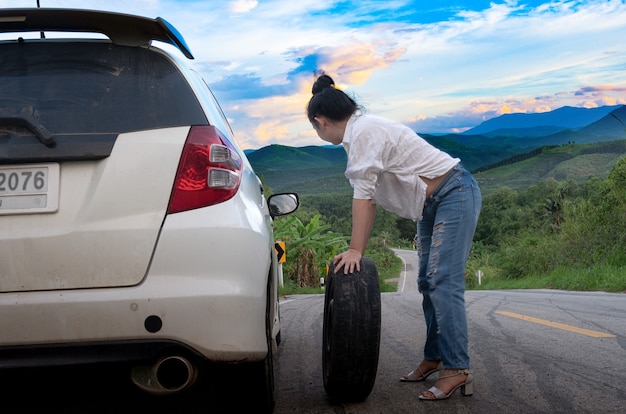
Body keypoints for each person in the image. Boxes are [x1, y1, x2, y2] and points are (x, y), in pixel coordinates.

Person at [306, 74, 481, 401]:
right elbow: (368, 193)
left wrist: (356, 250)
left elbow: (364, 196)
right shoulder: (357, 135)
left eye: (315, 129)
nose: (318, 134)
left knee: (442, 281)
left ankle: (457, 369)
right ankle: (435, 356)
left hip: (453, 193)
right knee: (427, 284)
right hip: (431, 207)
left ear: (320, 121)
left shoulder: (365, 132)